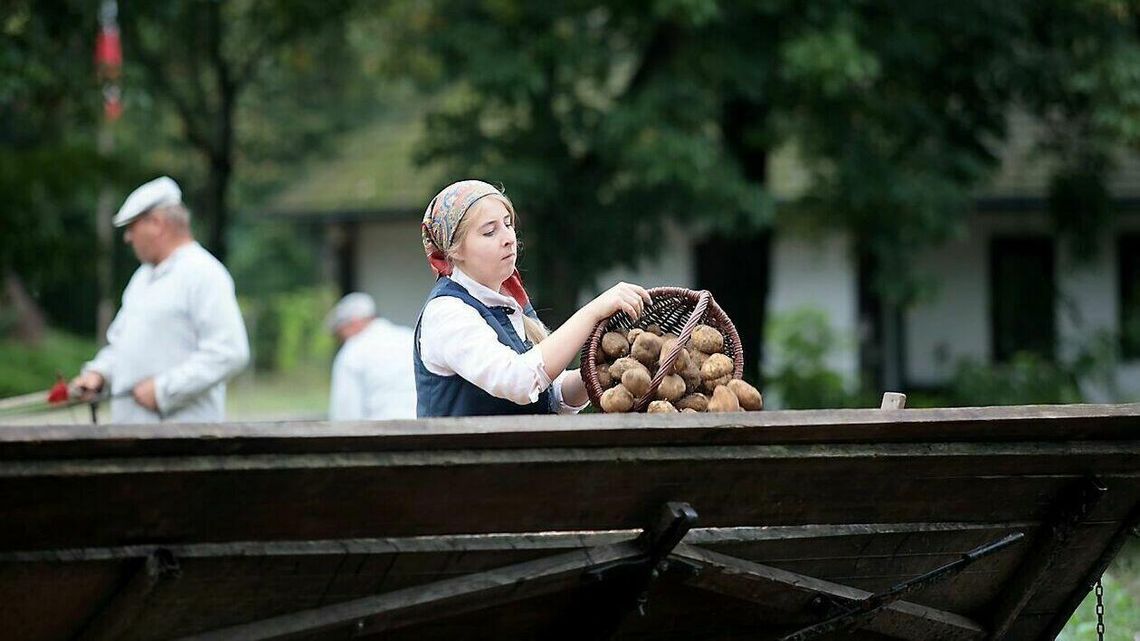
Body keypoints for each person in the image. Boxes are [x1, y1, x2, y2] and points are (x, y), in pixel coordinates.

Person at [415, 179, 651, 417]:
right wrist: (593, 311)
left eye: (508, 224)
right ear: (455, 250)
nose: (508, 238)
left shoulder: (508, 304)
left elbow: (551, 395)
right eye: (489, 231)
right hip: (464, 444)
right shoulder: (447, 312)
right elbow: (519, 381)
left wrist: (604, 371)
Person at [71, 176, 250, 423]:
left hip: (186, 437)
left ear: (156, 223)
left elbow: (229, 352)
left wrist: (164, 390)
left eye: (131, 228)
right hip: (132, 435)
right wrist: (99, 374)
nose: (128, 238)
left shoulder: (204, 273)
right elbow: (122, 345)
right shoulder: (141, 278)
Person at [326, 292, 418, 420]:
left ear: (354, 322)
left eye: (341, 331)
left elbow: (346, 412)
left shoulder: (352, 352)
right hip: (425, 425)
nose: (341, 338)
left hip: (380, 428)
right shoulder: (409, 337)